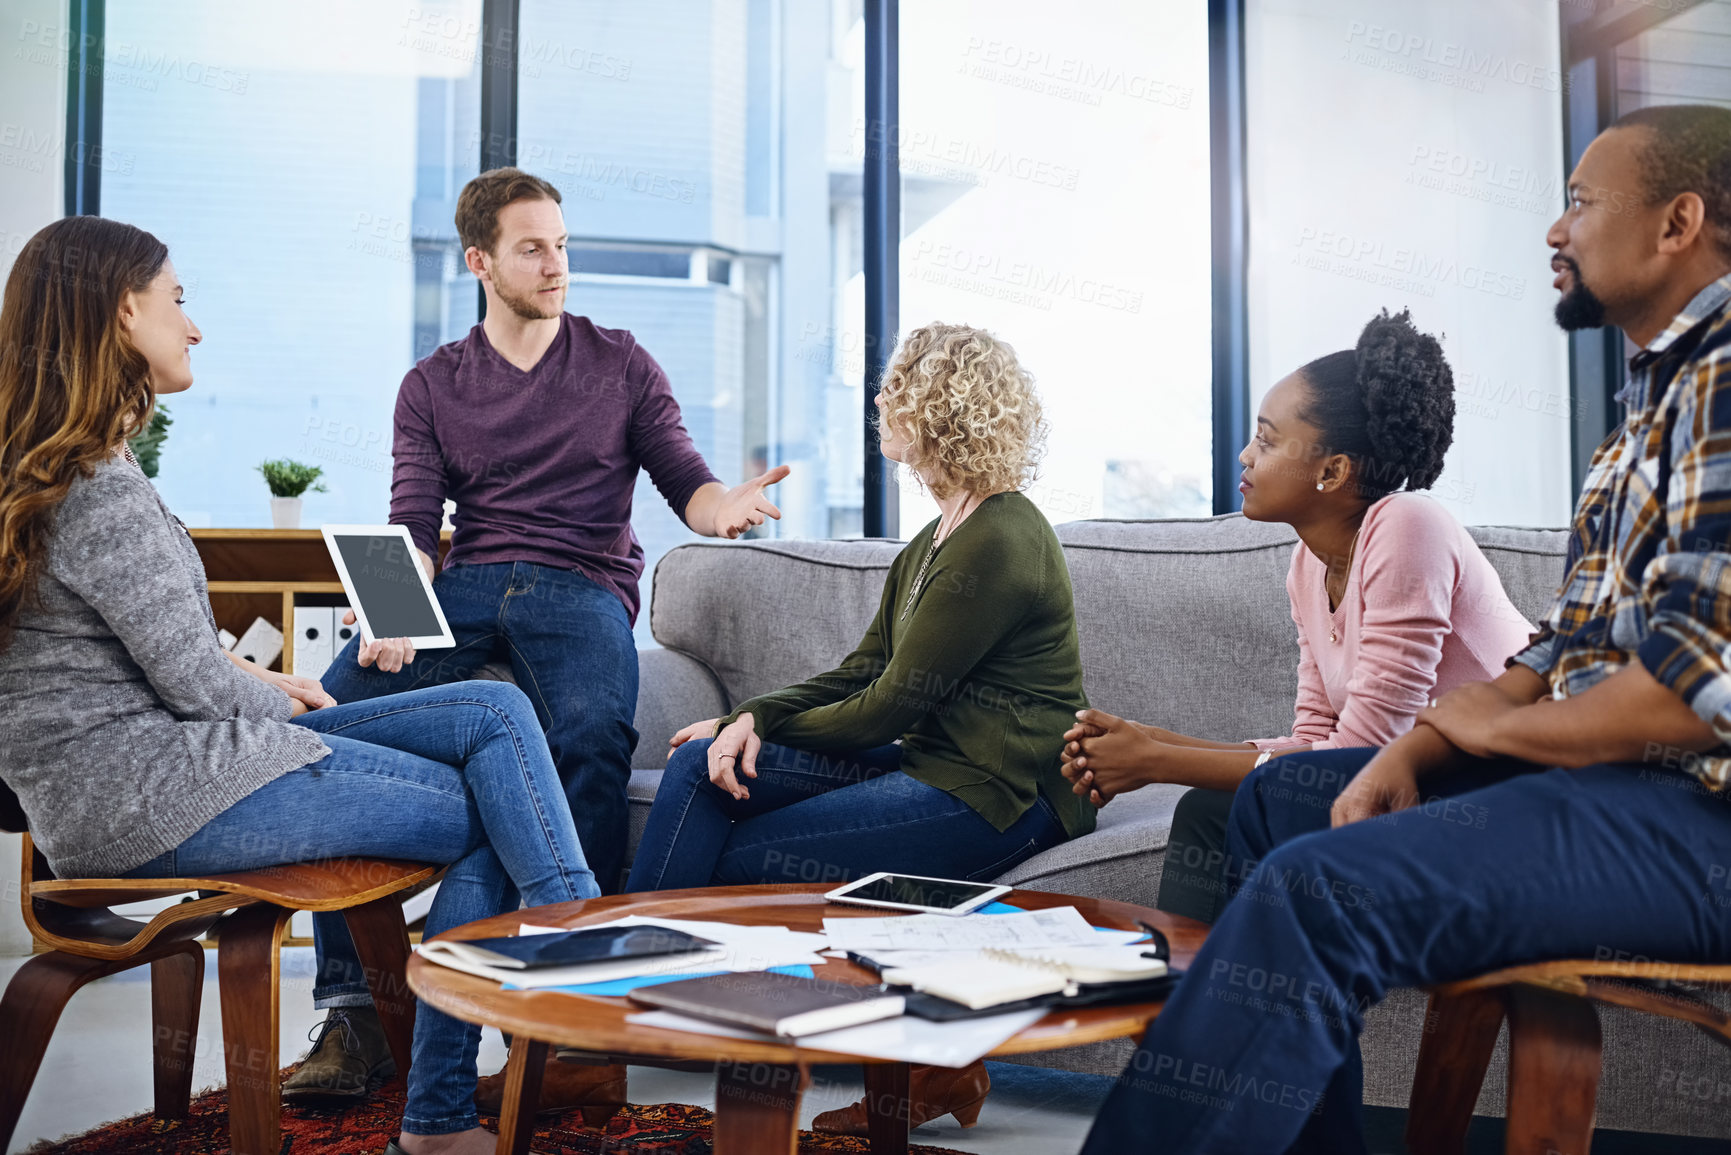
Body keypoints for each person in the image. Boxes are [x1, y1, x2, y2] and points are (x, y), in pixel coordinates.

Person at [1080, 103, 1731, 1154]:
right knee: (1287, 802)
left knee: (1314, 891)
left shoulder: (1725, 380)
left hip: (1696, 819)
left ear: (1677, 223)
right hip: (1611, 787)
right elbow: (1558, 652)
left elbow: (1692, 694)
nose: (1556, 232)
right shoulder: (1645, 413)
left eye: (1580, 203)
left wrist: (1488, 735)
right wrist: (1421, 749)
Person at [0, 214, 599, 1155]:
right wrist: (282, 698)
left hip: (139, 783)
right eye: (178, 301)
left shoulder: (67, 471)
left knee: (494, 714)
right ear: (122, 314)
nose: (193, 326)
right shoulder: (102, 489)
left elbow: (173, 660)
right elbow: (195, 684)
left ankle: (559, 955)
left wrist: (278, 681)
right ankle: (510, 1035)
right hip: (162, 793)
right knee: (500, 792)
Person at [298, 167, 788, 1109]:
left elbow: (685, 476)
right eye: (532, 248)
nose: (556, 264)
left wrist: (722, 503)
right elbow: (409, 519)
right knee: (330, 713)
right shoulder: (433, 383)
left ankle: (573, 1019)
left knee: (594, 737)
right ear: (482, 262)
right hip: (471, 582)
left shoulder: (621, 362)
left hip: (581, 587)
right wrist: (396, 612)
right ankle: (352, 1010)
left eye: (561, 244)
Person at [626, 322, 1093, 1134]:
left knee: (739, 863)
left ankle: (628, 1027)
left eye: (898, 383)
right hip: (932, 759)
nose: (880, 397)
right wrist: (747, 718)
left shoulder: (1000, 539)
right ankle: (621, 1010)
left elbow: (886, 708)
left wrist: (758, 721)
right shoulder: (938, 535)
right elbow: (861, 669)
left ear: (939, 407)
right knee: (703, 760)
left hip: (993, 790)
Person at [1061, 310, 1533, 925]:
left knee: (1234, 804)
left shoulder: (1408, 526)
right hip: (1412, 781)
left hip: (1500, 788)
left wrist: (1156, 764)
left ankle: (1202, 1004)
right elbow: (1316, 743)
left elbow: (1365, 752)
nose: (1245, 454)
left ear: (1332, 471)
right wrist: (1151, 740)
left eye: (1267, 438)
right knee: (1210, 808)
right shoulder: (1308, 566)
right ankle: (1187, 1001)